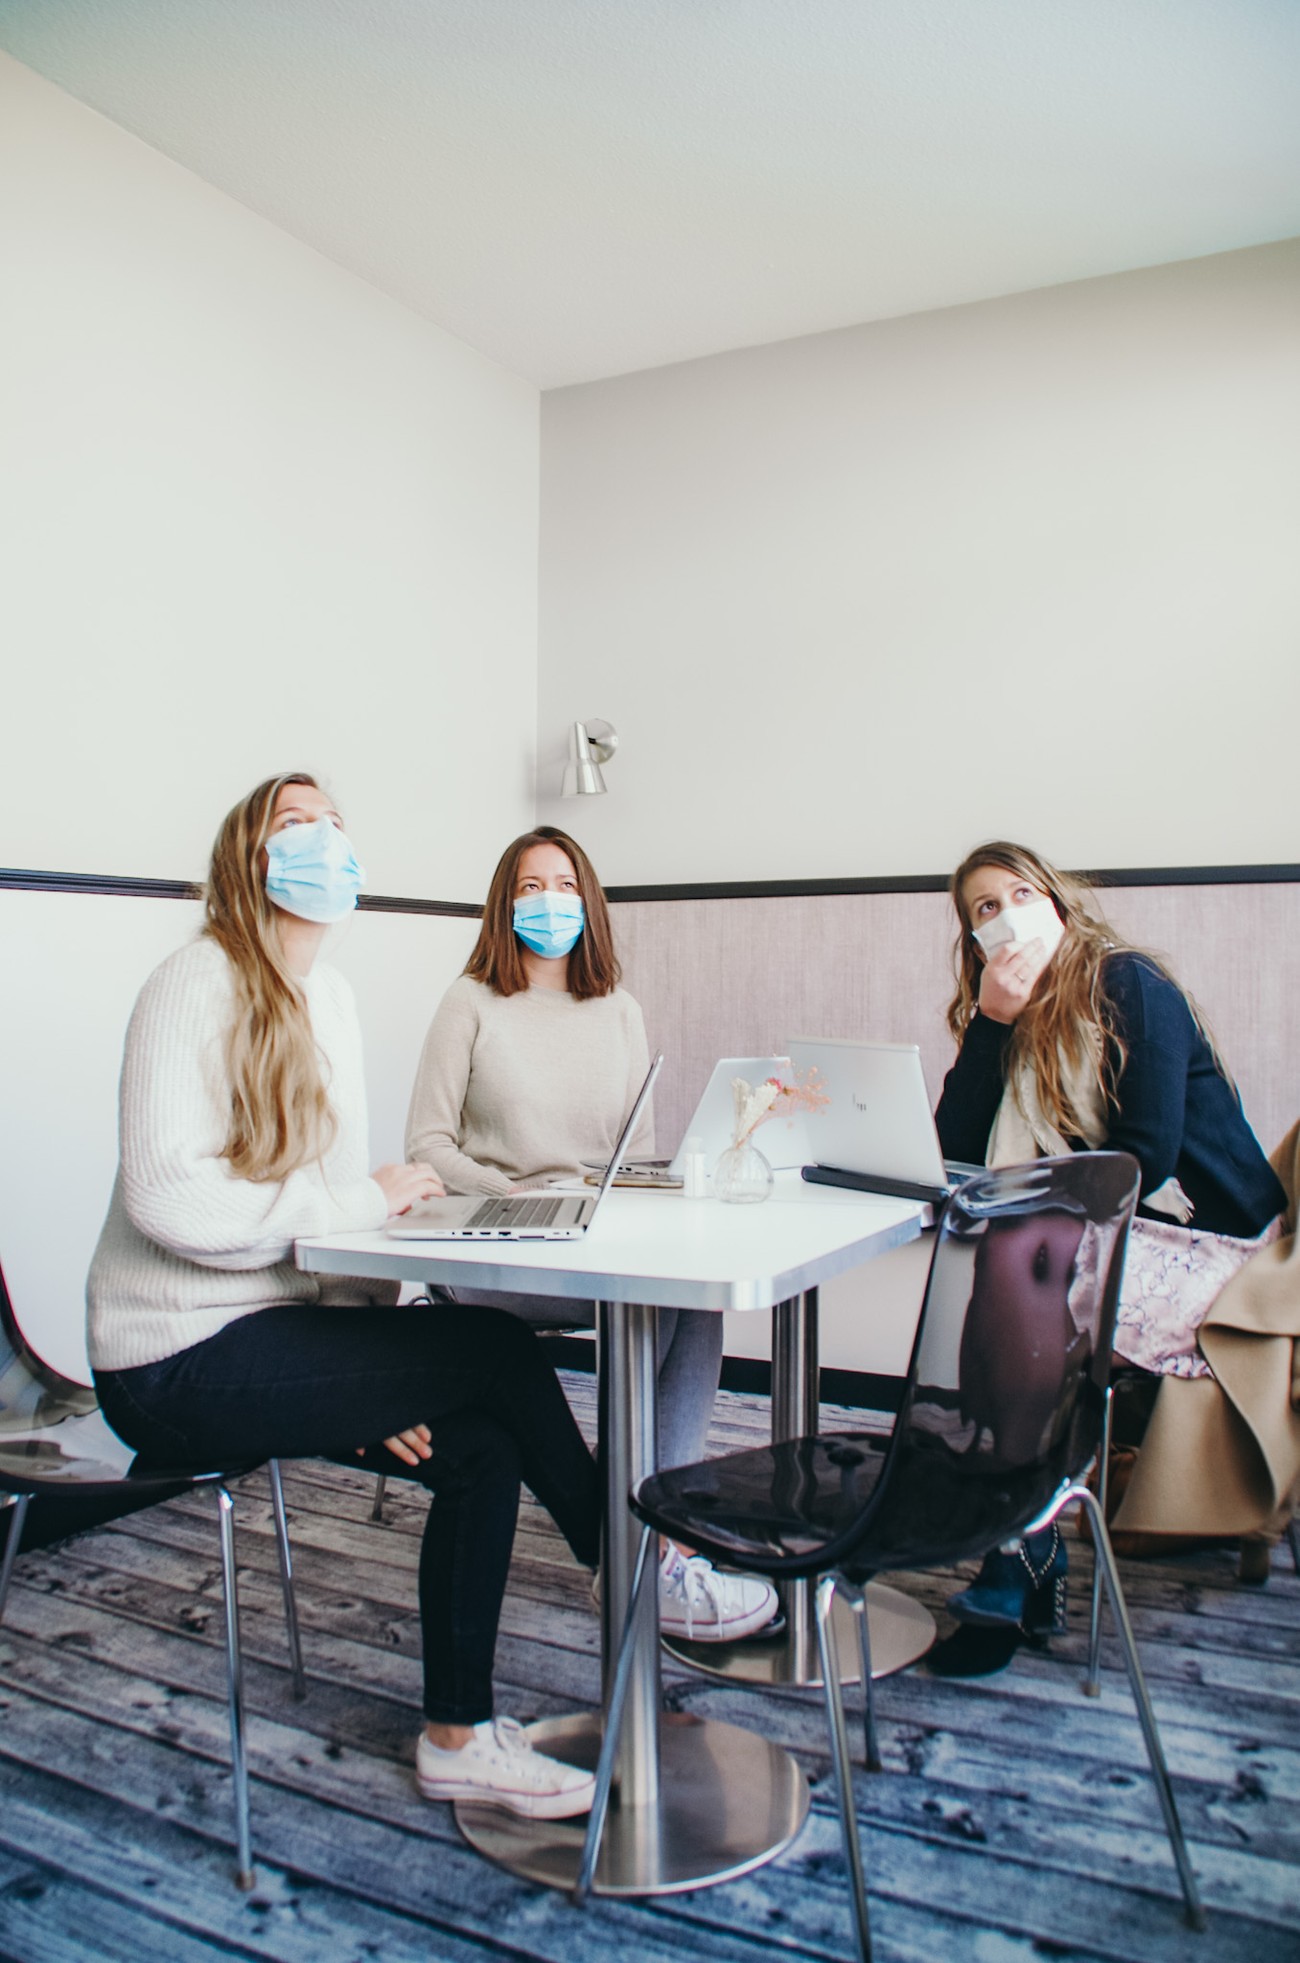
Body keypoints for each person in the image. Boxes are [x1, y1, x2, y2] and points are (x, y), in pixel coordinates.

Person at [88, 773, 604, 1818]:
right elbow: (165, 1196)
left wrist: (372, 1366)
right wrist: (347, 1207)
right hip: (169, 1359)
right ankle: (640, 1571)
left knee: (481, 1442)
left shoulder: (332, 998)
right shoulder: (196, 978)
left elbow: (336, 1220)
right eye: (296, 822)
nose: (324, 837)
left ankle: (457, 1734)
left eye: (335, 823)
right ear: (250, 855)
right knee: (497, 1355)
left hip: (272, 1339)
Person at [405, 824, 779, 1643]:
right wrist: (507, 1189)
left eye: (566, 885)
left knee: (692, 1300)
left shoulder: (619, 1008)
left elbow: (632, 1154)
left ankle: (655, 1533)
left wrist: (648, 1188)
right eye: (531, 886)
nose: (549, 902)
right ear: (505, 903)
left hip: (593, 1230)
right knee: (664, 1306)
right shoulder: (469, 1000)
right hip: (493, 1237)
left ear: (591, 901)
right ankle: (639, 1544)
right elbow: (427, 1146)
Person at [929, 839, 1285, 1674]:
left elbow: (1148, 1154)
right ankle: (1025, 1548)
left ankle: (1015, 1555)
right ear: (972, 939)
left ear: (1056, 901)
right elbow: (955, 1150)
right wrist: (990, 1024)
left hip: (1215, 1246)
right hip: (1097, 1235)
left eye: (1019, 892)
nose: (1006, 913)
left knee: (1024, 1286)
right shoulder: (1011, 1016)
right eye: (984, 908)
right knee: (1012, 1277)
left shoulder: (1129, 984)